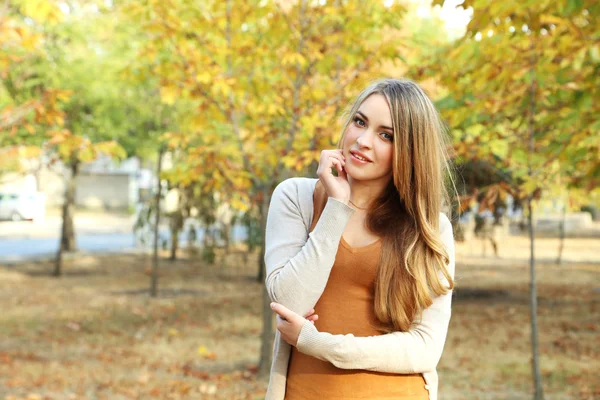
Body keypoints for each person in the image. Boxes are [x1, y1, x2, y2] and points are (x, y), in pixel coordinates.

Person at [263, 79, 456, 400]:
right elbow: (289, 303)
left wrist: (317, 342)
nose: (363, 140)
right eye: (359, 121)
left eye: (386, 135)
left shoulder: (429, 228)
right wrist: (337, 206)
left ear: (410, 150)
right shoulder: (296, 197)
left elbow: (425, 347)